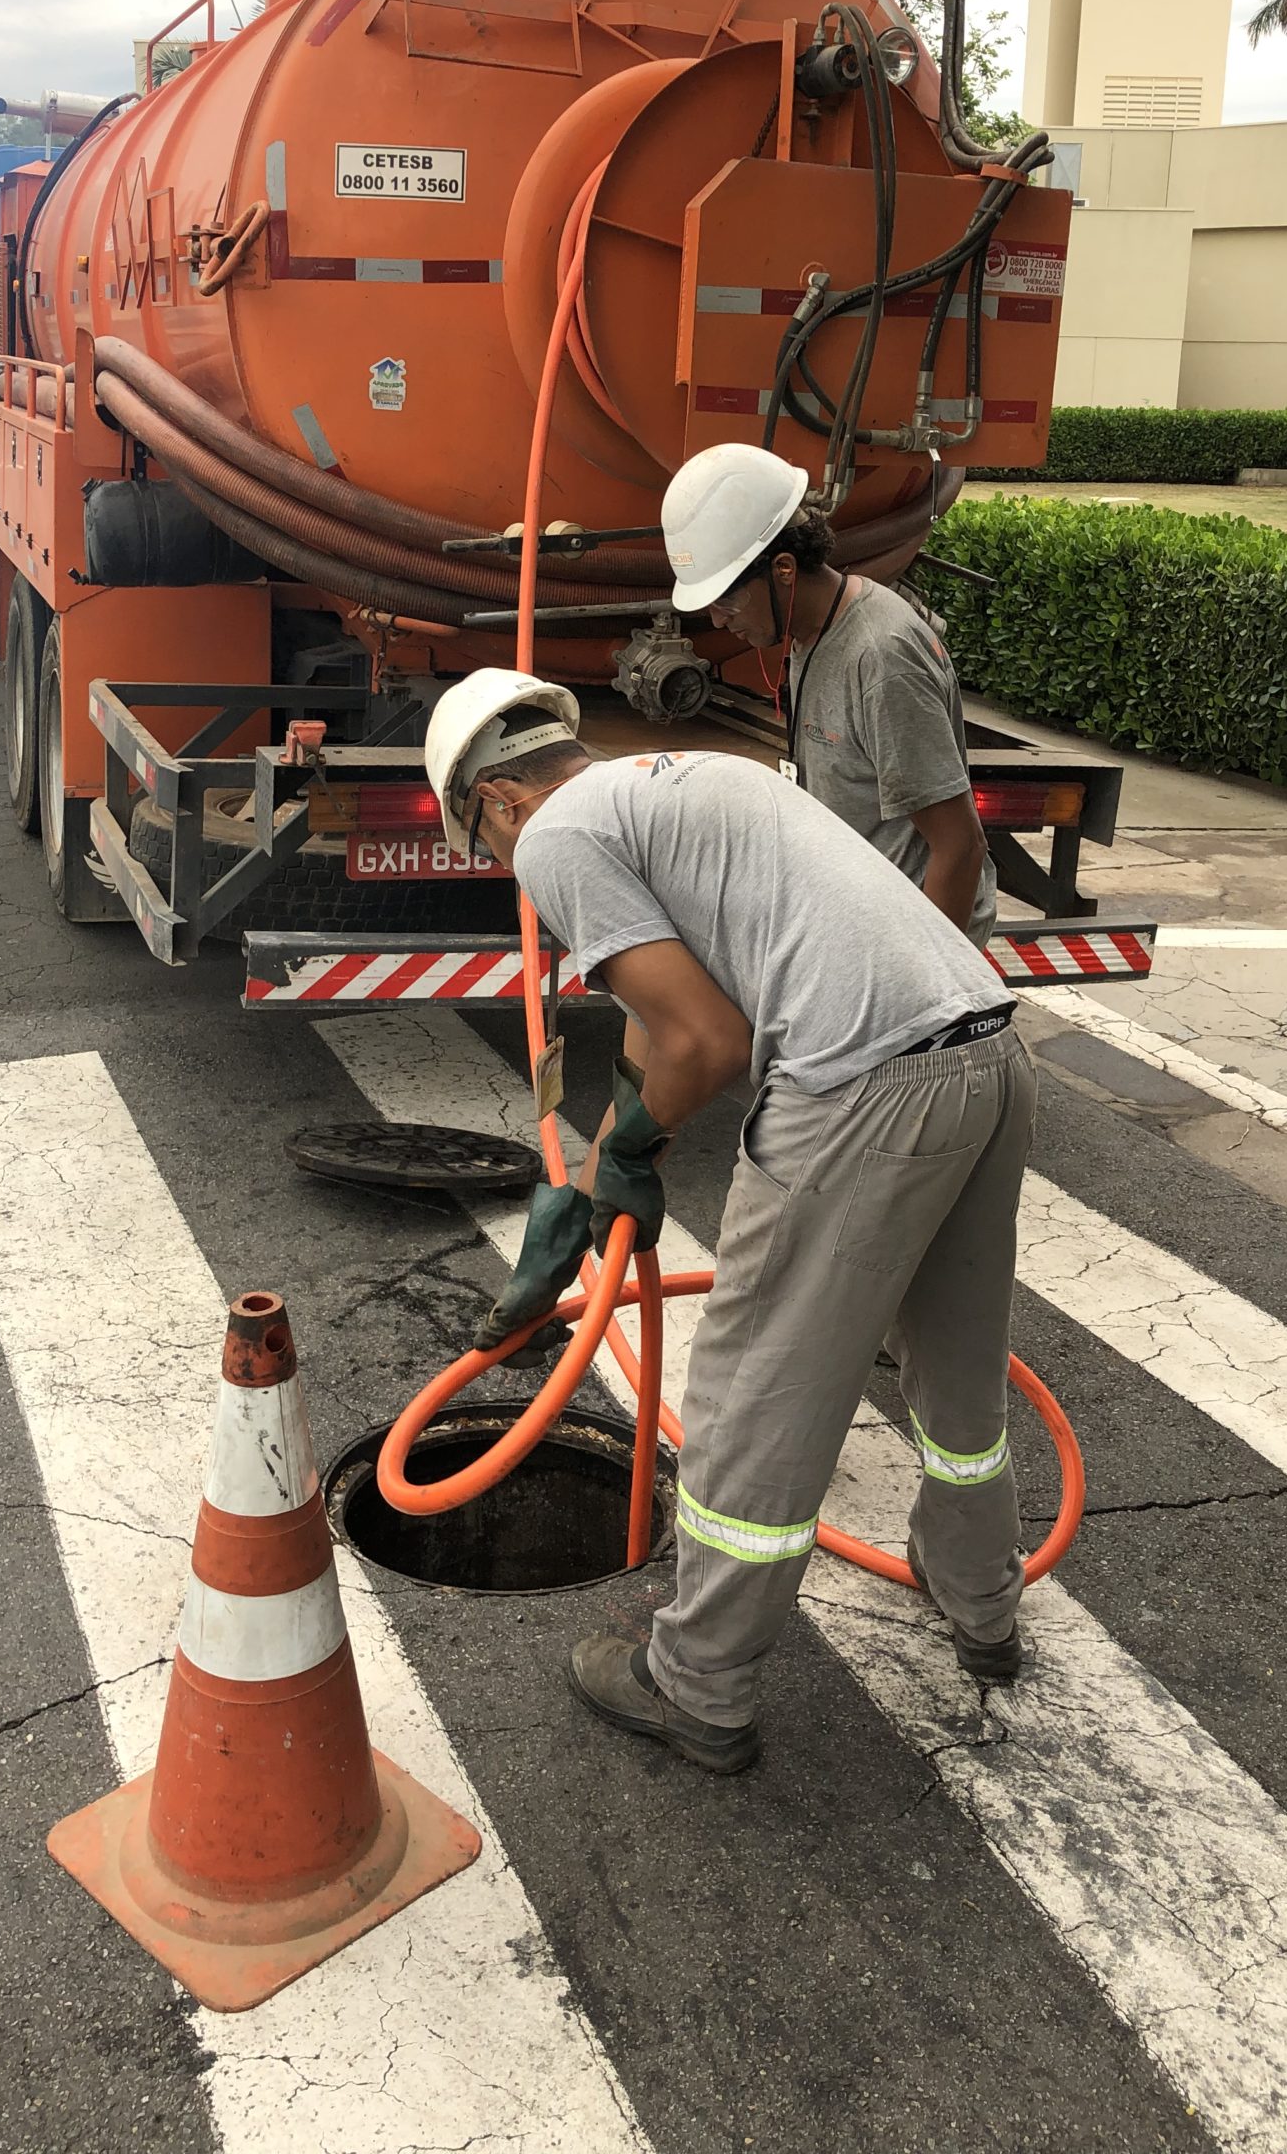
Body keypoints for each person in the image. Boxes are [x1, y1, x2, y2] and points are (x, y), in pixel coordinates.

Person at [423, 668, 1035, 1775]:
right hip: (987, 1048)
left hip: (864, 1085)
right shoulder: (687, 781)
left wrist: (636, 1144)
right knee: (956, 1371)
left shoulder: (556, 835)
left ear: (501, 800)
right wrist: (618, 1141)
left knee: (754, 1391)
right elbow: (669, 1014)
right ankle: (984, 1607)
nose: (500, 864)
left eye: (480, 841)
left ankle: (697, 1682)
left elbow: (703, 1040)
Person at [660, 442, 996, 945]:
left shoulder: (882, 659)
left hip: (904, 942)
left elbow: (959, 845)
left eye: (727, 597)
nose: (716, 620)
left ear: (786, 569)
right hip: (857, 926)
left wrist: (931, 982)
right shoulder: (808, 630)